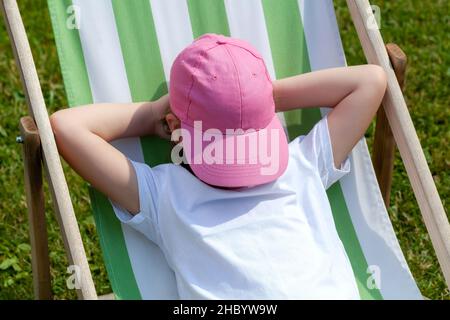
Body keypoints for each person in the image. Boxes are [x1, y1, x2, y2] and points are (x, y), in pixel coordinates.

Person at [50, 33, 387, 299]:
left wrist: (249, 99)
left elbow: (371, 81)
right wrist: (258, 100)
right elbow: (65, 129)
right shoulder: (165, 194)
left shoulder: (302, 164)